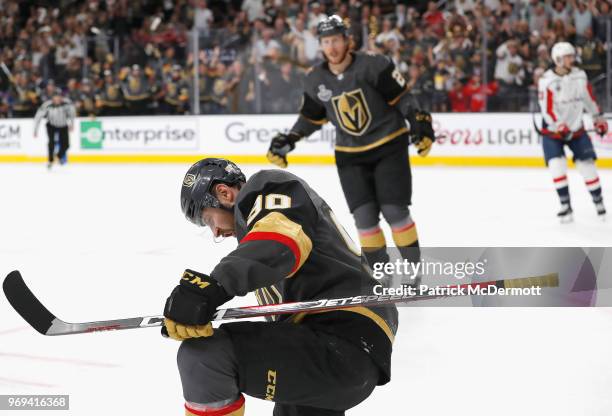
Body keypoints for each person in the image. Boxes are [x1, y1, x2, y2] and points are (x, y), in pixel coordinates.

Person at [163, 158, 398, 416]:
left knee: (204, 357)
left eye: (209, 220)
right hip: (336, 347)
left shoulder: (267, 187)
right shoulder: (257, 247)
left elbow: (280, 242)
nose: (216, 232)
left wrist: (212, 288)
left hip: (342, 335)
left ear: (224, 193)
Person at [266, 15, 435, 279]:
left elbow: (403, 98)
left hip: (389, 145)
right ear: (321, 46)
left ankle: (414, 271)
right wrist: (291, 138)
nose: (331, 47)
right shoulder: (315, 78)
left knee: (395, 212)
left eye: (335, 40)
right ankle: (382, 275)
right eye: (326, 42)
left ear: (348, 40)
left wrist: (417, 121)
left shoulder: (375, 65)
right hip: (350, 156)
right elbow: (311, 117)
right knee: (365, 220)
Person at [538, 42, 608, 223]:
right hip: (553, 133)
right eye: (568, 56)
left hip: (576, 130)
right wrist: (559, 125)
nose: (572, 59)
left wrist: (598, 118)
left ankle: (598, 202)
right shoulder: (547, 80)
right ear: (558, 59)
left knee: (588, 168)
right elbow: (547, 109)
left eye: (571, 56)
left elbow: (589, 99)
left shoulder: (580, 76)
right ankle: (565, 205)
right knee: (557, 166)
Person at [33, 88, 76, 169]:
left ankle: (58, 156)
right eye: (55, 97)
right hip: (51, 125)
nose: (57, 99)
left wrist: (72, 124)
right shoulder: (47, 105)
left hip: (63, 125)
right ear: (52, 98)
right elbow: (38, 117)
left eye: (59, 97)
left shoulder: (67, 104)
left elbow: (72, 114)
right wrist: (35, 130)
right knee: (51, 142)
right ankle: (50, 160)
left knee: (66, 144)